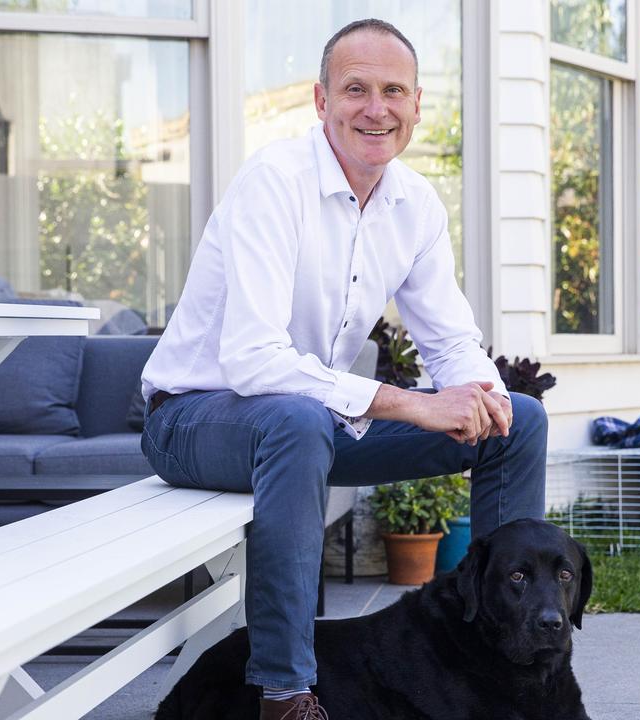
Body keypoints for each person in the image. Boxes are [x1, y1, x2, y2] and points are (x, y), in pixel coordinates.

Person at [140, 18, 547, 720]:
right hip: (194, 421)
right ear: (321, 100)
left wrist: (482, 391)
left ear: (417, 104)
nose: (375, 108)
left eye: (393, 91)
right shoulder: (274, 182)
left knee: (520, 420)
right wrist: (414, 403)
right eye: (355, 88)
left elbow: (450, 339)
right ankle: (284, 693)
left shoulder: (414, 204)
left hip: (310, 427)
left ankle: (499, 662)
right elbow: (252, 358)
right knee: (297, 423)